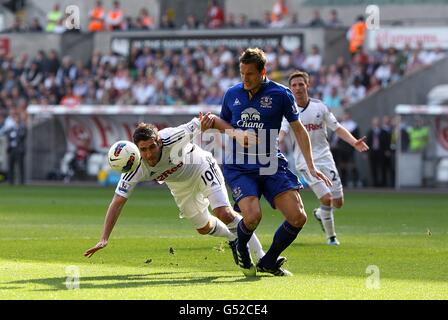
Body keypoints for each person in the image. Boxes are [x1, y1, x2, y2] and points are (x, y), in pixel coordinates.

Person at [200, 48, 332, 277]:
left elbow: (299, 131)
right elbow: (222, 123)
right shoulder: (232, 94)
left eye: (249, 74)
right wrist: (222, 127)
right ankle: (241, 247)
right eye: (242, 73)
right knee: (252, 217)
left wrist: (311, 166)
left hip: (271, 162)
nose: (245, 79)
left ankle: (268, 261)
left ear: (263, 71)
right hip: (239, 166)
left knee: (298, 216)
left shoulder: (281, 94)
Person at [84, 117, 265, 266]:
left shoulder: (173, 137)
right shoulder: (134, 167)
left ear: (159, 142)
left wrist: (237, 135)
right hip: (179, 186)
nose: (148, 154)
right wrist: (104, 238)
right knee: (203, 228)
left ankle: (262, 257)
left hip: (200, 166)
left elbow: (209, 120)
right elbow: (117, 202)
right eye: (143, 149)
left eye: (152, 147)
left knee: (223, 212)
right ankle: (232, 238)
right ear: (137, 149)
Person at [279, 71, 369, 245]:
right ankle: (331, 238)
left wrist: (354, 142)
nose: (297, 88)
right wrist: (276, 142)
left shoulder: (320, 107)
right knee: (326, 198)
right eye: (294, 85)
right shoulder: (289, 112)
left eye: (300, 84)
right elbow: (282, 132)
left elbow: (337, 127)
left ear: (307, 85)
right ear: (290, 90)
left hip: (326, 158)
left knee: (338, 202)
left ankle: (321, 214)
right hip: (305, 162)